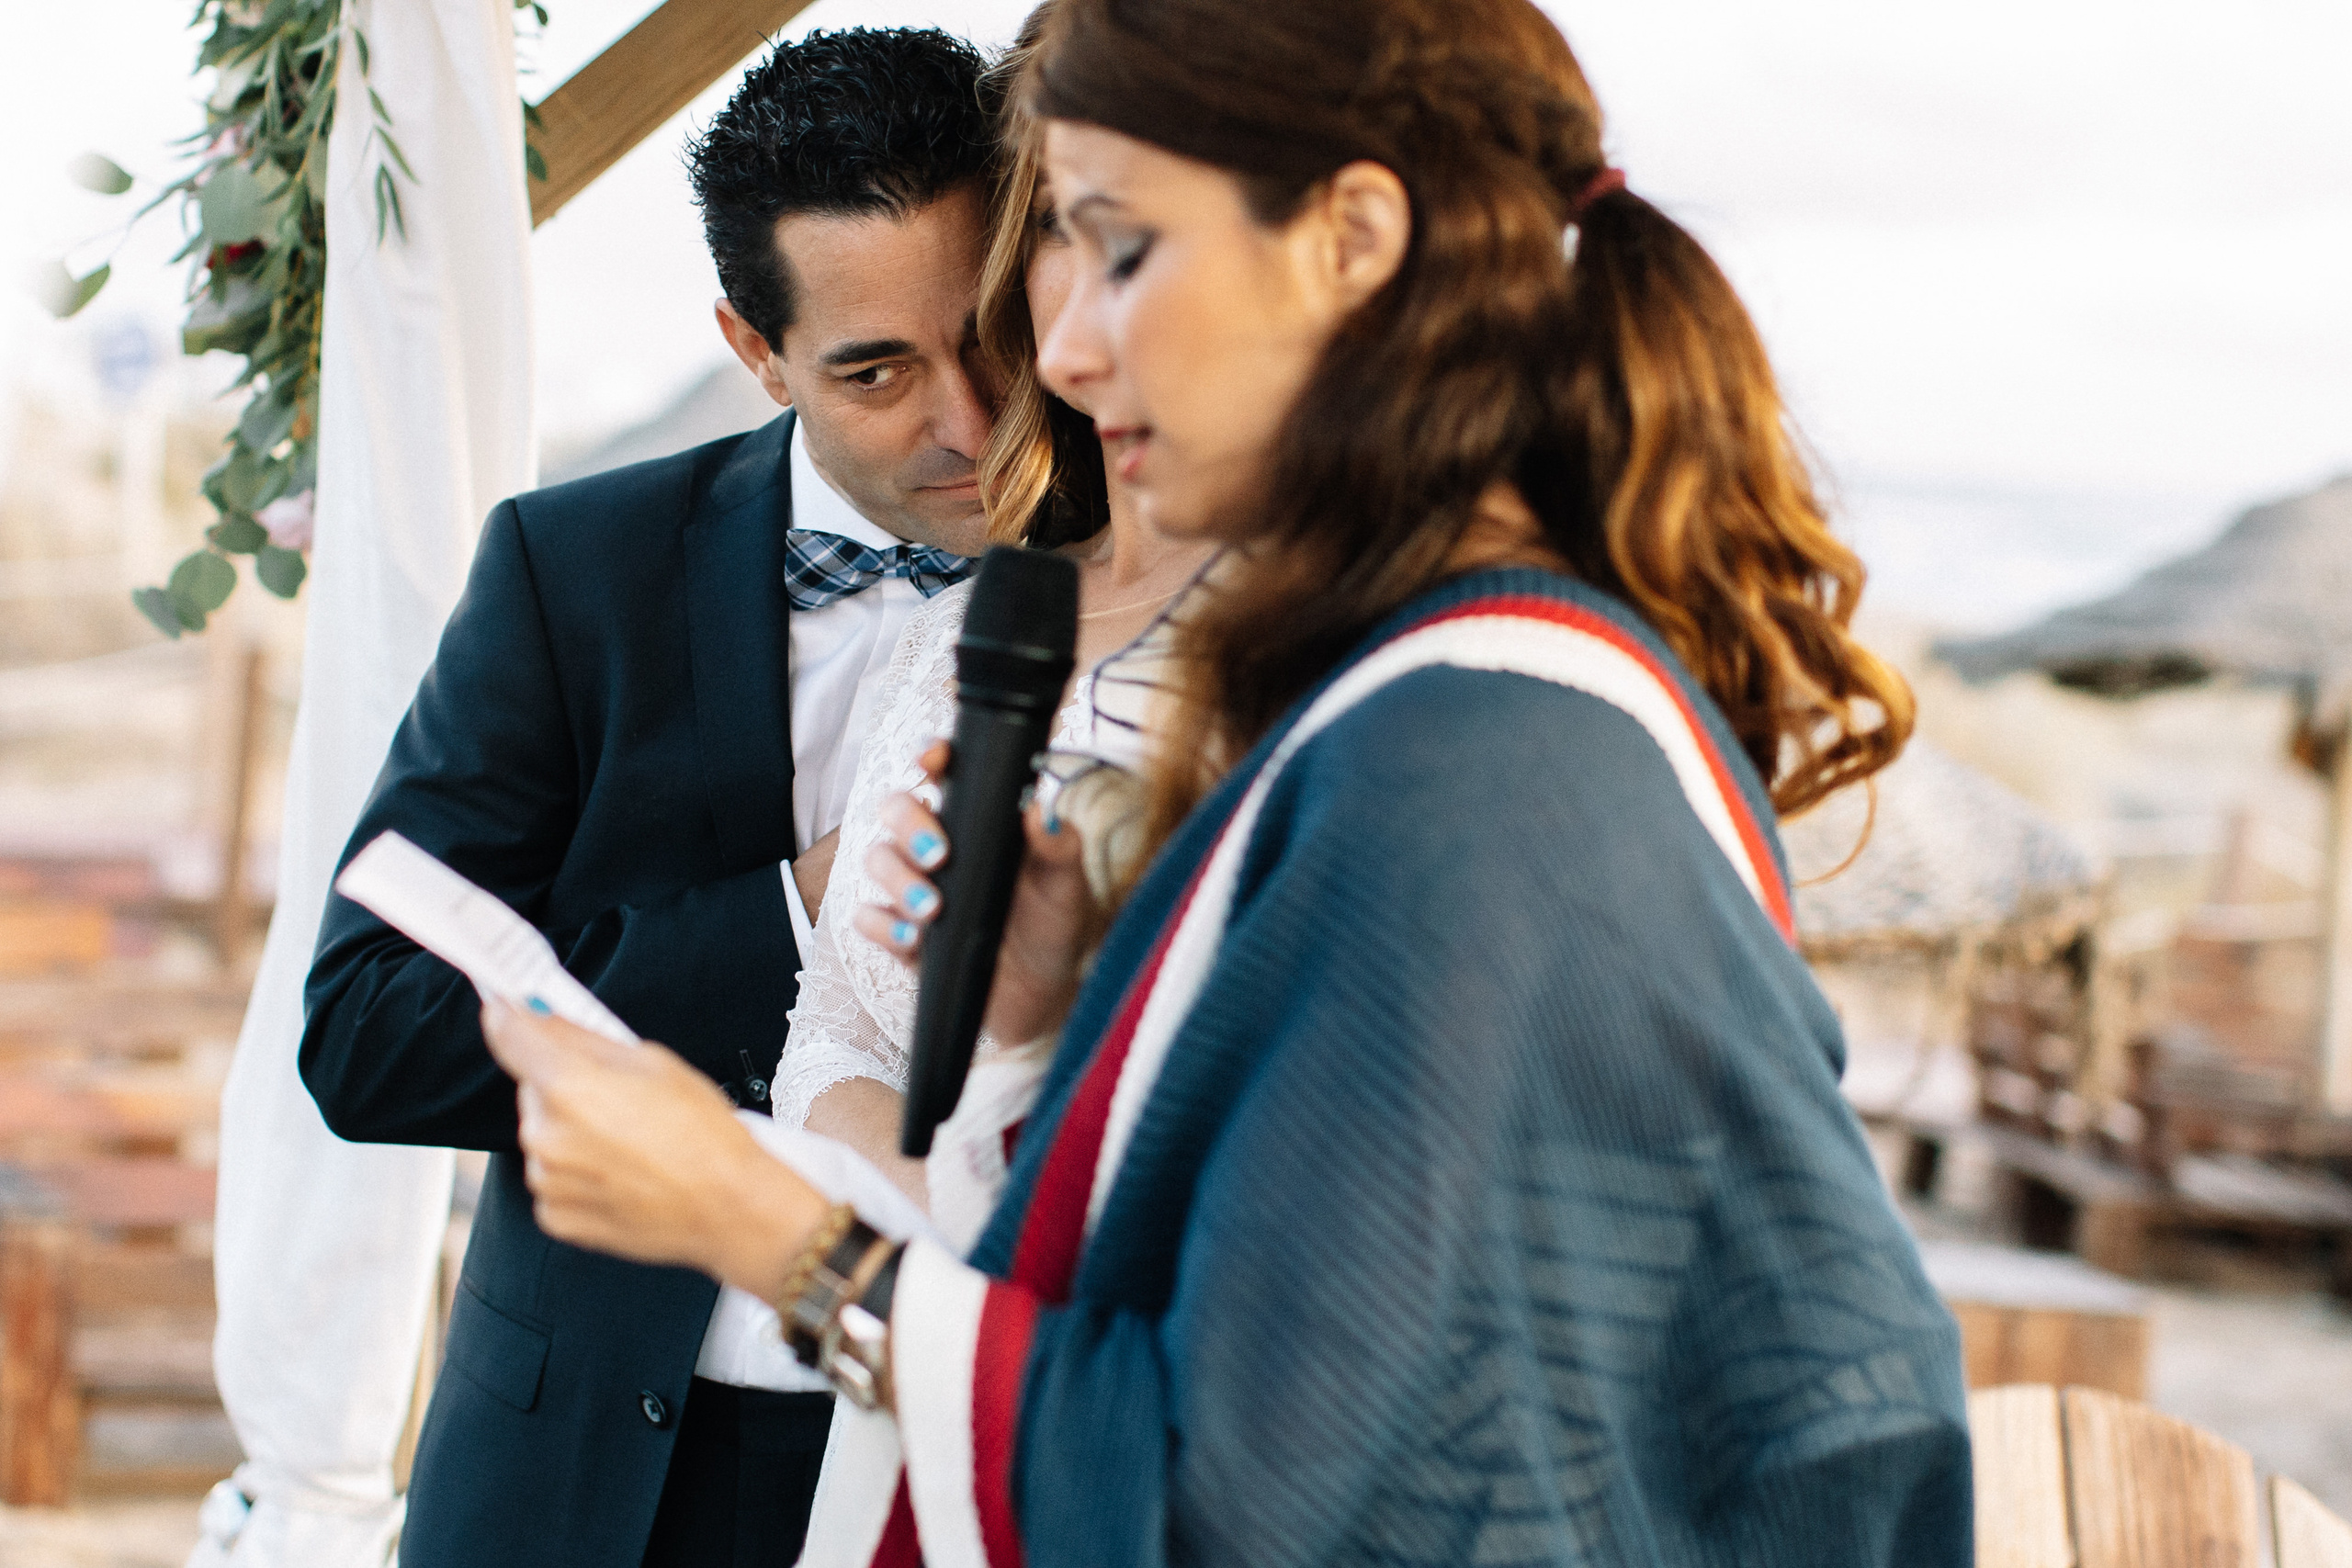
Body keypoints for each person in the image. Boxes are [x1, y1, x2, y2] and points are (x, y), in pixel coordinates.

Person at [484, 0, 1977, 1563]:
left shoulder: (1473, 775)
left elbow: (1226, 1501)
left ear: (1348, 238)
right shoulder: (1433, 708)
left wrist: (758, 1224)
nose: (1053, 346)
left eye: (1120, 245)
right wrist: (1043, 1025)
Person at [297, 29, 1001, 1568]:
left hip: (956, 1451)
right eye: (875, 369)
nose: (968, 420)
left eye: (991, 336)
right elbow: (363, 1031)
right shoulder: (575, 573)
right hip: (579, 1479)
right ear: (755, 349)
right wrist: (805, 911)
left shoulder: (1143, 588)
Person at [782, 14, 1216, 1237]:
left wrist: (972, 1243)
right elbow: (829, 1036)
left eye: (1129, 241)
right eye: (1052, 235)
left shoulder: (1304, 645)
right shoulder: (963, 630)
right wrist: (936, 1219)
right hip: (900, 1367)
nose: (1076, 342)